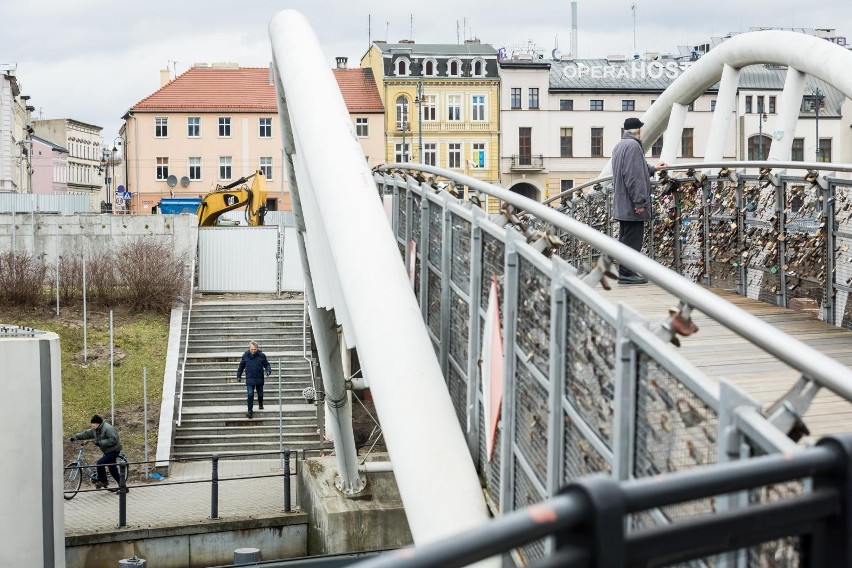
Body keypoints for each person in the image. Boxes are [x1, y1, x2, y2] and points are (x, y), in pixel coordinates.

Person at [612, 117, 666, 285]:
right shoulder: (634, 146)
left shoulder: (619, 146)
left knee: (626, 238)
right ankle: (626, 273)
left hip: (622, 203)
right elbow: (634, 177)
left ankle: (625, 271)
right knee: (632, 240)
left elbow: (631, 169)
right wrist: (640, 203)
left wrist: (653, 168)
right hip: (631, 204)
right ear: (638, 131)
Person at [69, 414, 126, 492]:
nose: (92, 425)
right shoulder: (96, 429)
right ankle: (123, 487)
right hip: (107, 451)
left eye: (93, 424)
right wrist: (75, 437)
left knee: (100, 463)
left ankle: (104, 481)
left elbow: (114, 439)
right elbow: (86, 434)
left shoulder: (108, 428)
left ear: (98, 423)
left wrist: (100, 443)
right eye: (91, 424)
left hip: (114, 450)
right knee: (112, 469)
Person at [237, 340, 272, 419]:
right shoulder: (245, 355)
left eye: (254, 349)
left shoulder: (262, 355)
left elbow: (266, 364)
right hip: (250, 378)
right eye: (252, 349)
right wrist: (238, 375)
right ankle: (250, 411)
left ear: (257, 348)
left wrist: (268, 370)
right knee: (250, 394)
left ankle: (260, 403)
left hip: (259, 377)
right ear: (249, 348)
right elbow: (241, 366)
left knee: (260, 394)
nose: (253, 351)